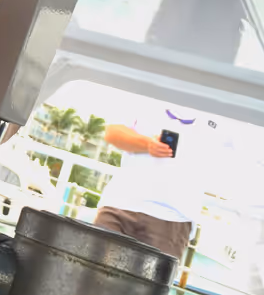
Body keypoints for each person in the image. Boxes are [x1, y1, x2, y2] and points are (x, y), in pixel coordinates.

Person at [94, 103, 225, 259]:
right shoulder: (148, 96)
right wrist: (148, 144)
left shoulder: (222, 118)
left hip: (173, 218)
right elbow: (112, 132)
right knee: (92, 275)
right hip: (119, 204)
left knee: (146, 283)